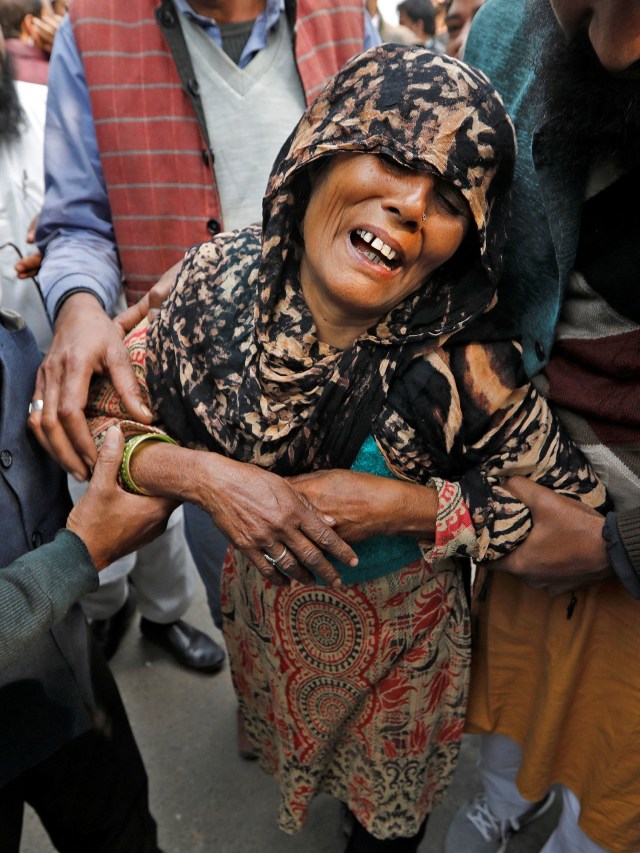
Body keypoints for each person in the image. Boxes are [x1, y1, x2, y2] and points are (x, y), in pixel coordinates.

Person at [60, 46, 608, 851]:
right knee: (290, 748)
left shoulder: (465, 366)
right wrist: (203, 477)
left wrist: (413, 508)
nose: (412, 203)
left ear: (468, 238)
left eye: (451, 197)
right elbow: (95, 410)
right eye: (393, 156)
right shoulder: (216, 285)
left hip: (399, 660)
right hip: (265, 625)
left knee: (383, 828)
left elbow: (580, 523)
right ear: (321, 148)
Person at [31, 0, 377, 662]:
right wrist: (78, 305)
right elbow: (77, 221)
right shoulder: (95, 30)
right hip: (202, 401)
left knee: (360, 606)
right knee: (242, 597)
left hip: (351, 379)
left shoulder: (343, 16)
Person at [442, 1, 640, 852]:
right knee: (515, 692)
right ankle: (507, 797)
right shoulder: (508, 32)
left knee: (616, 758)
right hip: (529, 477)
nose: (617, 45)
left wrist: (619, 543)